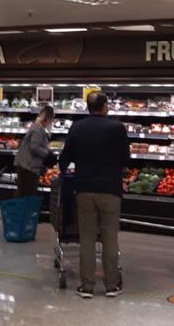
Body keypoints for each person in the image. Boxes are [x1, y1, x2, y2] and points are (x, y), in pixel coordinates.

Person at [59, 92, 130, 299]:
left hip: (85, 190)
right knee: (109, 237)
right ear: (105, 106)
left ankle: (87, 286)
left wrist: (69, 170)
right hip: (111, 190)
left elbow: (64, 160)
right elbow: (126, 158)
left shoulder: (77, 128)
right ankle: (111, 285)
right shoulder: (117, 128)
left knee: (87, 238)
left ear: (87, 107)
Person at [14, 105, 54, 196]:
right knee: (27, 194)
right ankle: (24, 210)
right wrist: (47, 154)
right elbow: (34, 147)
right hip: (28, 166)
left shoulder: (37, 126)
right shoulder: (38, 129)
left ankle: (19, 209)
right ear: (48, 118)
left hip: (25, 164)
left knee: (22, 192)